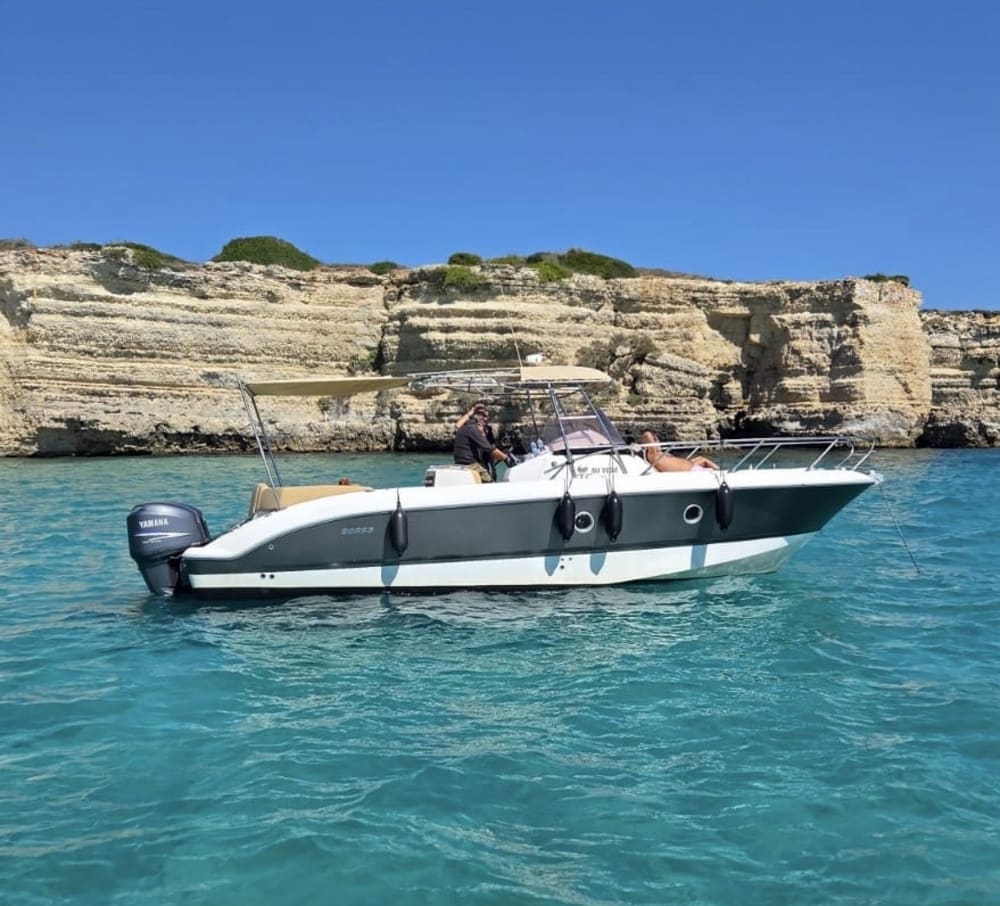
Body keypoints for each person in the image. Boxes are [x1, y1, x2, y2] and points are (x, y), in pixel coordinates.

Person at [453, 405, 511, 482]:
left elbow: (491, 446)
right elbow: (489, 449)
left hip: (464, 461)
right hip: (470, 463)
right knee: (490, 481)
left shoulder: (465, 428)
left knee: (491, 474)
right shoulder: (473, 429)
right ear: (476, 418)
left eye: (486, 416)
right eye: (482, 416)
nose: (485, 419)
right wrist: (506, 458)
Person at [638, 430, 719, 472]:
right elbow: (647, 434)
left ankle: (721, 472)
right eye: (656, 440)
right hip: (691, 473)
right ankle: (722, 473)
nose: (659, 443)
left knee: (702, 459)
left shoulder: (661, 455)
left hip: (692, 468)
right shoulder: (653, 456)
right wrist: (646, 443)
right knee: (704, 461)